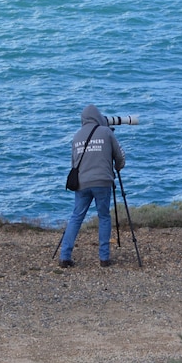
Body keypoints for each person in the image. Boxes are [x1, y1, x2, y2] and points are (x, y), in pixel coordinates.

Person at [59, 104, 125, 268]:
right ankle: (104, 258)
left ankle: (65, 256)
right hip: (102, 182)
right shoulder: (106, 132)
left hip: (82, 182)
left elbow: (73, 163)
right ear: (98, 117)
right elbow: (119, 157)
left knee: (76, 216)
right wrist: (117, 167)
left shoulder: (76, 136)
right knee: (103, 216)